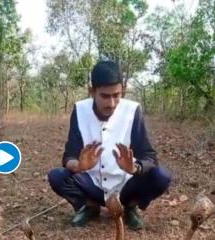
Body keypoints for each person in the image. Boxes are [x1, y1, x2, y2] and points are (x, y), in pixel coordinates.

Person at [48, 60, 171, 230]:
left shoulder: (132, 111)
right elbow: (69, 155)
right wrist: (79, 166)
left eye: (116, 95)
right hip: (92, 184)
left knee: (161, 176)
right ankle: (90, 206)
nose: (111, 103)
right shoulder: (80, 110)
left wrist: (135, 168)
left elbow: (149, 156)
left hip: (125, 185)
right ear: (92, 91)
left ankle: (130, 207)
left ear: (123, 91)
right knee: (57, 176)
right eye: (105, 96)